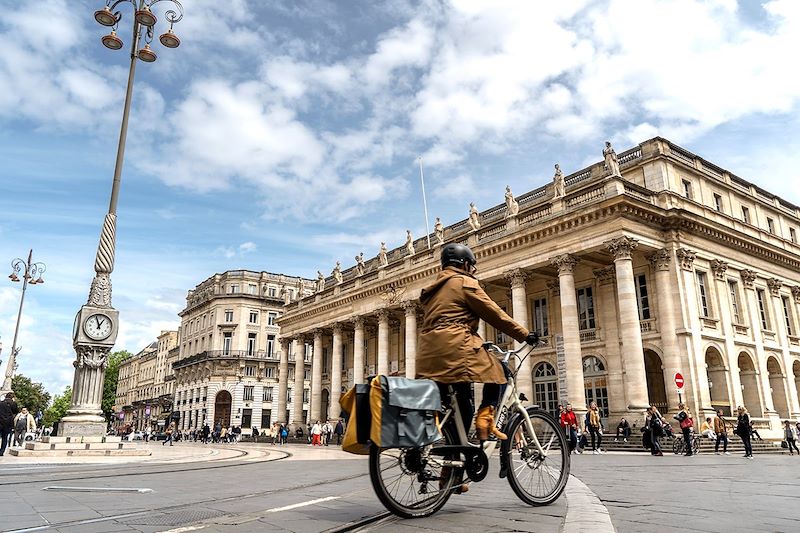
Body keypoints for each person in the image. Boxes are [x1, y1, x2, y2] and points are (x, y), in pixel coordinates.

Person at [416, 243, 539, 443]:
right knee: (501, 372)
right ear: (464, 264)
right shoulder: (464, 282)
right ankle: (484, 420)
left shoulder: (432, 291)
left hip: (427, 355)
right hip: (455, 346)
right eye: (472, 266)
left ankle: (454, 462)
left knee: (460, 405)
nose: (473, 271)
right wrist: (524, 335)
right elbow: (495, 314)